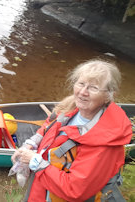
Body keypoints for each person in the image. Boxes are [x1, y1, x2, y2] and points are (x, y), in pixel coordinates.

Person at [12, 59, 132, 201]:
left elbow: (74, 190)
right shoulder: (70, 107)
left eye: (93, 88)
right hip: (41, 192)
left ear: (108, 95)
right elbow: (48, 126)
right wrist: (32, 142)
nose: (83, 92)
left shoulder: (105, 142)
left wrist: (35, 161)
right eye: (81, 84)